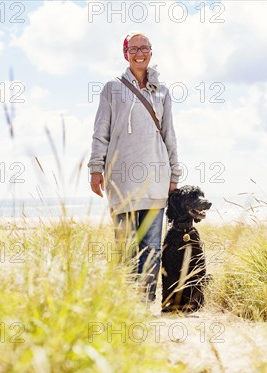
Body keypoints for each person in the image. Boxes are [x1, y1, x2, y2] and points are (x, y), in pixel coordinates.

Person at [87, 32, 181, 303]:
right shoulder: (111, 89)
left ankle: (145, 303)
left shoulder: (162, 92)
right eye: (134, 48)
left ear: (151, 51)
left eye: (145, 48)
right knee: (127, 246)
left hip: (156, 178)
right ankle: (127, 303)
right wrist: (96, 168)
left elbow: (169, 134)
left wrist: (174, 174)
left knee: (151, 247)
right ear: (125, 53)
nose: (140, 53)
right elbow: (100, 131)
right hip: (121, 180)